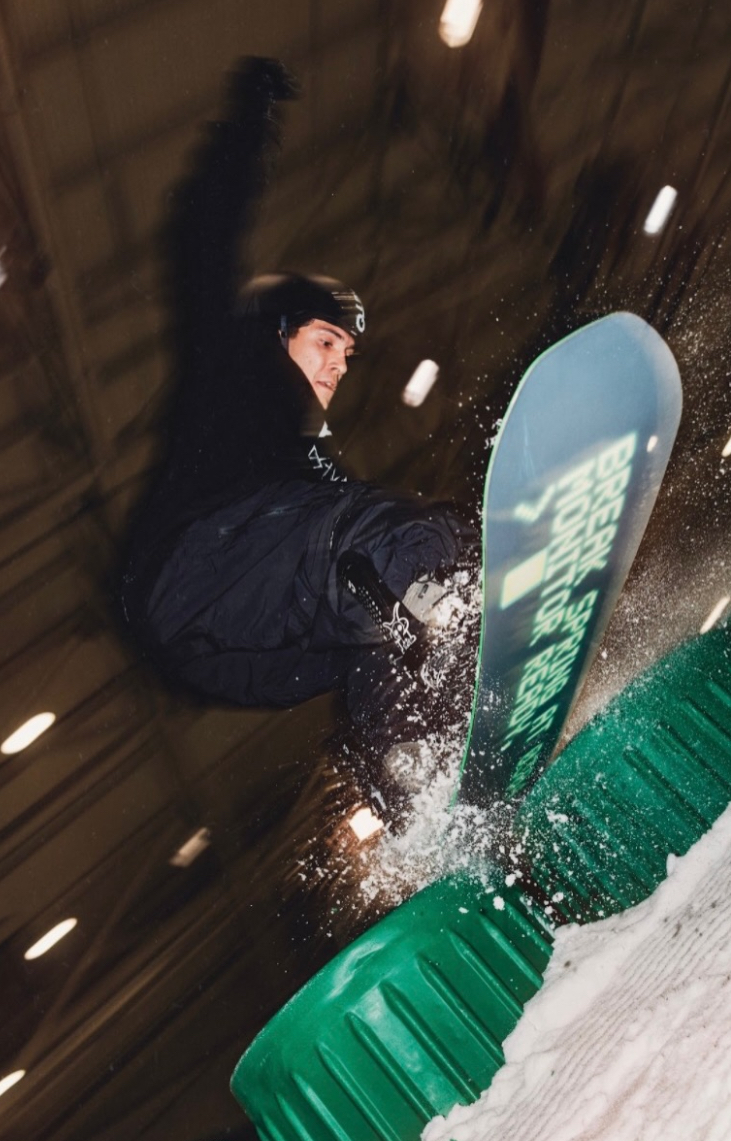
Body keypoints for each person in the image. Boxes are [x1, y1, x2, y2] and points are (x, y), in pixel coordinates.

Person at [119, 57, 477, 817]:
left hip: (227, 653)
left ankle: (416, 776)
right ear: (278, 331)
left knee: (374, 627)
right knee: (375, 536)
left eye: (347, 356)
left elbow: (344, 529)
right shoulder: (231, 362)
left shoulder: (306, 466)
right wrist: (249, 124)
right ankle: (458, 603)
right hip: (195, 566)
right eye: (326, 342)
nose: (339, 365)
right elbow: (203, 241)